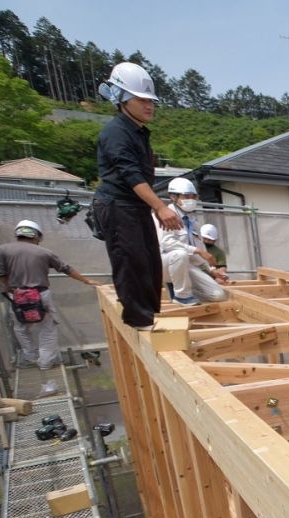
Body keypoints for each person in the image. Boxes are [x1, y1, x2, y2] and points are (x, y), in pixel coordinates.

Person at [93, 62, 182, 329]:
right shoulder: (116, 132)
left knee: (148, 260)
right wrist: (160, 207)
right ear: (121, 98)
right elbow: (131, 175)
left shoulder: (137, 131)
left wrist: (154, 207)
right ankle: (138, 319)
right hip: (118, 205)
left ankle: (147, 315)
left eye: (151, 101)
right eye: (141, 100)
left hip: (133, 206)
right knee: (130, 260)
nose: (148, 106)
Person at [0, 220, 97, 394]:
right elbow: (66, 268)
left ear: (18, 234)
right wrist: (87, 280)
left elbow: (1, 273)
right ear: (37, 236)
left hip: (17, 295)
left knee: (21, 327)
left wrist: (6, 287)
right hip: (40, 294)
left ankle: (30, 356)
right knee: (47, 328)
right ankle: (45, 361)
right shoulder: (44, 252)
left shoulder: (3, 250)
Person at [156, 178, 227, 305]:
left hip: (184, 267)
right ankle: (181, 296)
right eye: (186, 196)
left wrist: (211, 271)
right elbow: (166, 244)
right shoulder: (163, 216)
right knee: (180, 254)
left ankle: (181, 289)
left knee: (218, 295)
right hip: (161, 265)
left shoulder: (192, 222)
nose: (191, 199)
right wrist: (197, 250)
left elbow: (196, 258)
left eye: (194, 196)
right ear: (173, 197)